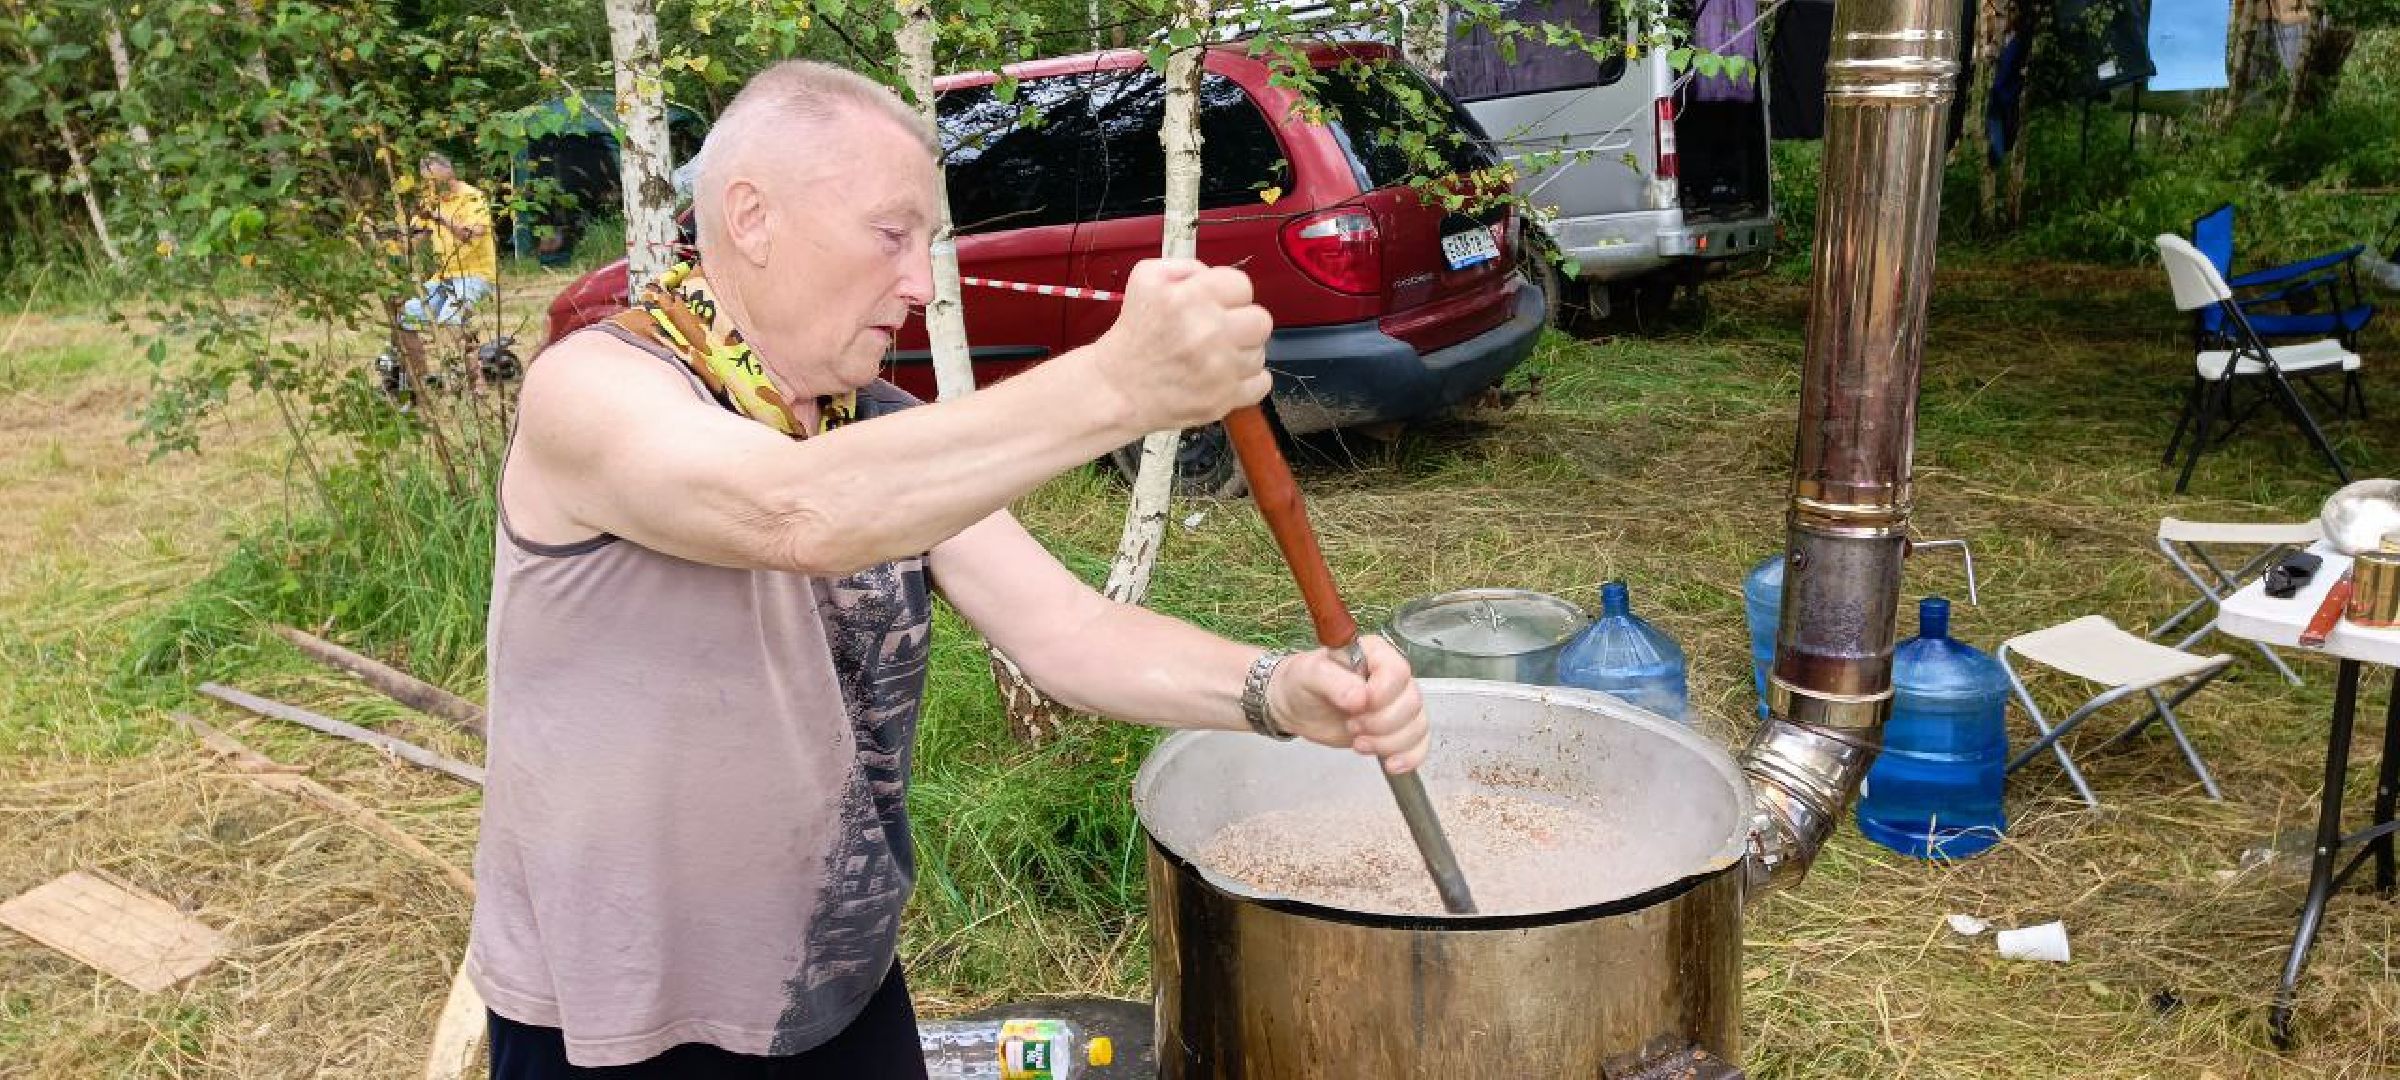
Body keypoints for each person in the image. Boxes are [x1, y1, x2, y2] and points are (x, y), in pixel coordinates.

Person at [471, 60, 1432, 1077]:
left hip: (838, 989)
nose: (917, 281)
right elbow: (797, 509)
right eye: (891, 235)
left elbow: (1069, 634)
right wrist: (1119, 382)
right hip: (621, 1022)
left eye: (928, 243)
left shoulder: (881, 430)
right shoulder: (594, 390)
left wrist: (1277, 690)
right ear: (749, 217)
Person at [402, 152, 497, 330]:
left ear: (449, 172)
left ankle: (468, 356)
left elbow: (474, 233)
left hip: (476, 275)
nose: (433, 187)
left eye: (436, 181)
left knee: (451, 322)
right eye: (428, 182)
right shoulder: (430, 201)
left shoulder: (472, 197)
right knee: (406, 319)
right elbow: (414, 239)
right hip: (443, 276)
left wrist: (443, 219)